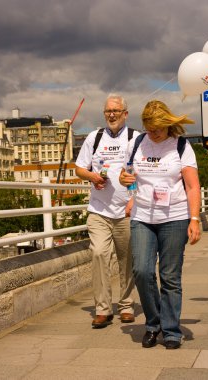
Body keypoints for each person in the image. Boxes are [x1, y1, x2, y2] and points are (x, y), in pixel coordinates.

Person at [119, 100, 201, 349]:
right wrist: (124, 180)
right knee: (142, 271)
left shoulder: (181, 146)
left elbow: (192, 185)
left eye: (158, 128)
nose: (153, 133)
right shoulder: (136, 143)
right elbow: (127, 175)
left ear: (167, 124)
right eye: (149, 128)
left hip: (175, 217)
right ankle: (153, 324)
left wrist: (194, 219)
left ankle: (171, 330)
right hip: (143, 215)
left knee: (170, 276)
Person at [75, 94, 140, 328]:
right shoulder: (95, 137)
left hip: (126, 211)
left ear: (125, 113)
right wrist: (92, 175)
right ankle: (102, 309)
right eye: (107, 111)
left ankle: (125, 305)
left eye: (116, 111)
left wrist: (135, 199)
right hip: (99, 210)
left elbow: (142, 173)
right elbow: (79, 169)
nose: (111, 115)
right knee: (99, 254)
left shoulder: (136, 138)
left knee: (126, 260)